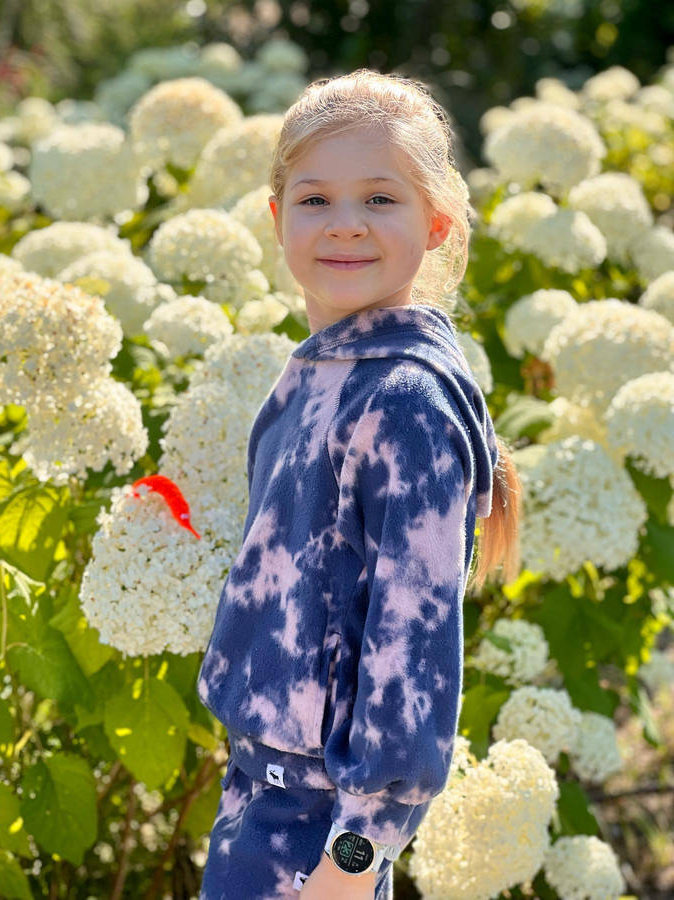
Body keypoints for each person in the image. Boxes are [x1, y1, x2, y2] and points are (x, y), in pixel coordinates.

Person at [197, 68, 522, 900]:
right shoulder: (318, 372)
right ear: (276, 219)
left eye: (381, 199)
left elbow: (412, 661)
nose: (345, 226)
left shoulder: (404, 401)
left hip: (318, 835)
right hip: (258, 807)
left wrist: (352, 864)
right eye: (315, 200)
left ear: (439, 222)